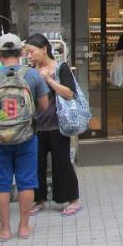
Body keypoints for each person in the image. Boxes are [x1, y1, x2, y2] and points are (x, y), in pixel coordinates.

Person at [0, 33, 48, 241]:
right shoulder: (32, 75)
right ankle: (24, 227)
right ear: (21, 52)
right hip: (27, 135)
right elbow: (44, 105)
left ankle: (5, 229)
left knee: (1, 182)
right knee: (26, 181)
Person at [24, 33, 82, 217]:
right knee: (37, 164)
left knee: (62, 163)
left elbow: (70, 93)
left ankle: (72, 199)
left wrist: (49, 80)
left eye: (32, 51)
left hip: (58, 125)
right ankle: (39, 199)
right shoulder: (29, 71)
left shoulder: (61, 68)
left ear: (44, 49)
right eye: (27, 52)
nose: (29, 56)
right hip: (37, 125)